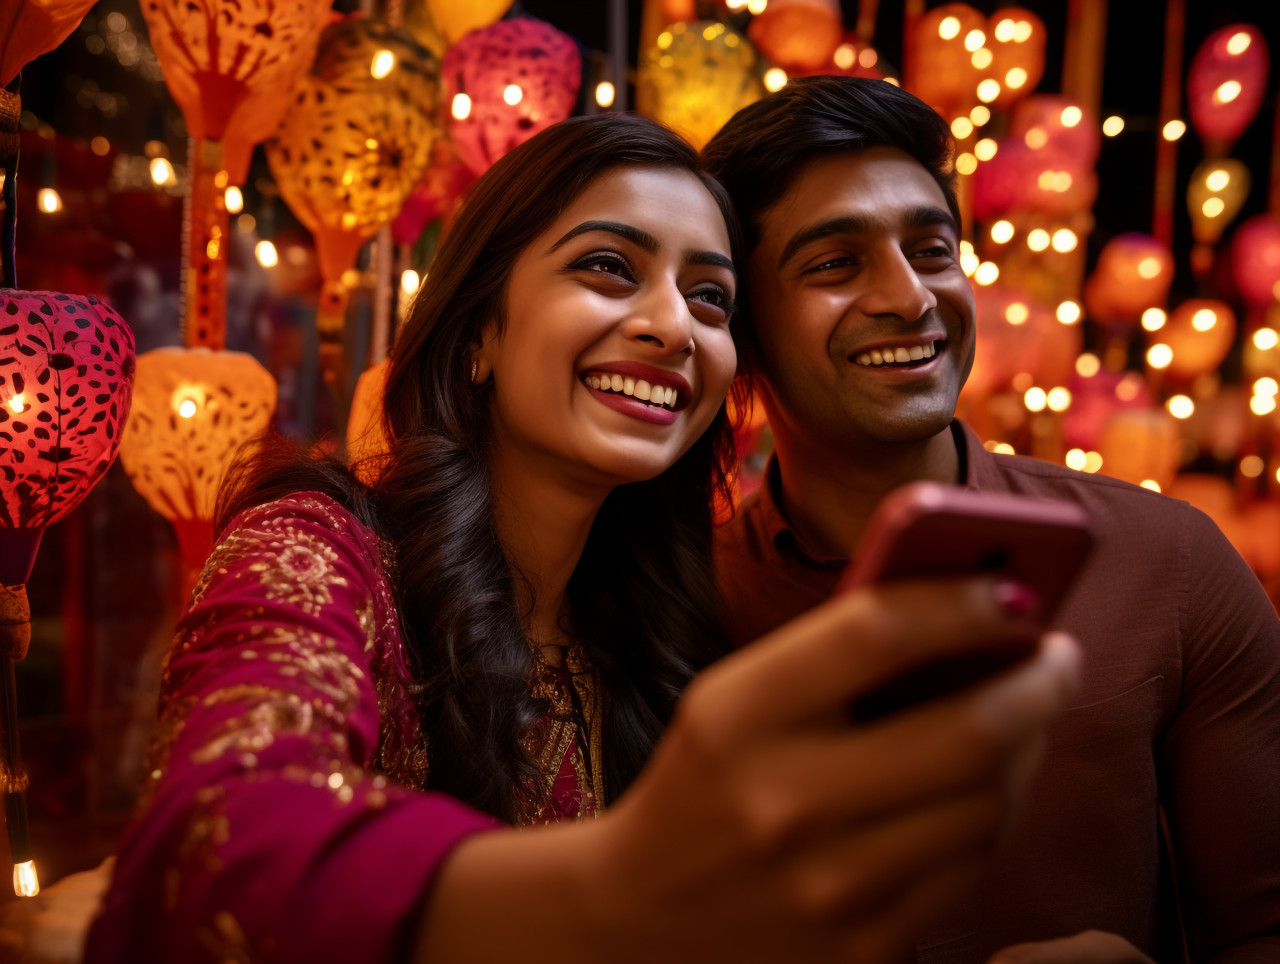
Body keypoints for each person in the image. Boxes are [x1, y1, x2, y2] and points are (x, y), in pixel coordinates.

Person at [78, 112, 1079, 964]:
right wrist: (609, 884)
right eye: (608, 267)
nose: (672, 328)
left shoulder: (664, 636)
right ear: (482, 329)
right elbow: (216, 834)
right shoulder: (318, 551)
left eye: (709, 298)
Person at [701, 76, 1280, 962]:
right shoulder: (682, 603)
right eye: (834, 263)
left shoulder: (1166, 561)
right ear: (743, 325)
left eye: (932, 250)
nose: (911, 298)